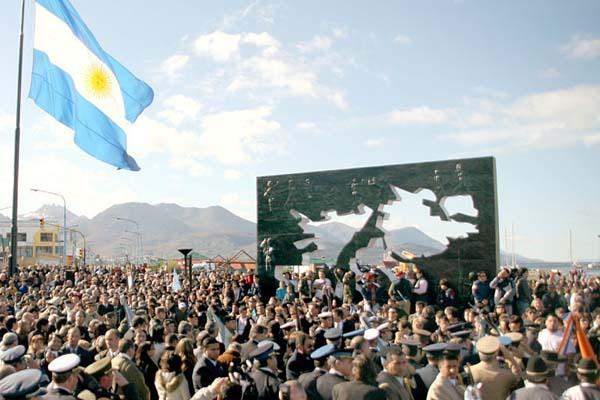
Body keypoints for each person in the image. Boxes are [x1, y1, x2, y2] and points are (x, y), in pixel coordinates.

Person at [466, 336, 519, 400]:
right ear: (496, 352)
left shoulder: (469, 371)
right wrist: (510, 358)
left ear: (479, 352)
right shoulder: (507, 375)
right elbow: (520, 381)